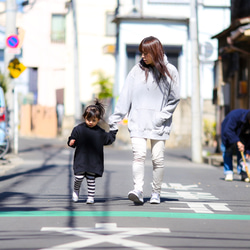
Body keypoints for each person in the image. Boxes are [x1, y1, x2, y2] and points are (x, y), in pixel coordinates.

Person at [109, 36, 180, 205]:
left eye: (146, 53)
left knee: (157, 159)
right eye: (142, 53)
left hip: (158, 124)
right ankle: (138, 190)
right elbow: (125, 96)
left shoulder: (170, 71)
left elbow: (175, 98)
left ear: (155, 52)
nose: (143, 56)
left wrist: (161, 117)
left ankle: (156, 192)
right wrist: (115, 120)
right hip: (138, 121)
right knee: (139, 156)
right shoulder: (136, 71)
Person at [68, 99, 117, 204]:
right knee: (78, 177)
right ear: (84, 117)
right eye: (88, 119)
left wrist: (113, 130)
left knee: (91, 179)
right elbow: (73, 139)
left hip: (94, 160)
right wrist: (71, 142)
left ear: (98, 120)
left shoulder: (100, 132)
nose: (90, 122)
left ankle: (91, 196)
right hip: (81, 158)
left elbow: (108, 139)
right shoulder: (78, 129)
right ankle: (76, 190)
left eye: (93, 120)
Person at [221, 109, 250, 182]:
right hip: (227, 133)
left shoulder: (248, 123)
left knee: (242, 152)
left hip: (241, 135)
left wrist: (248, 151)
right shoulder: (235, 116)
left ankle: (243, 173)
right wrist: (237, 141)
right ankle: (228, 172)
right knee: (228, 151)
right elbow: (228, 130)